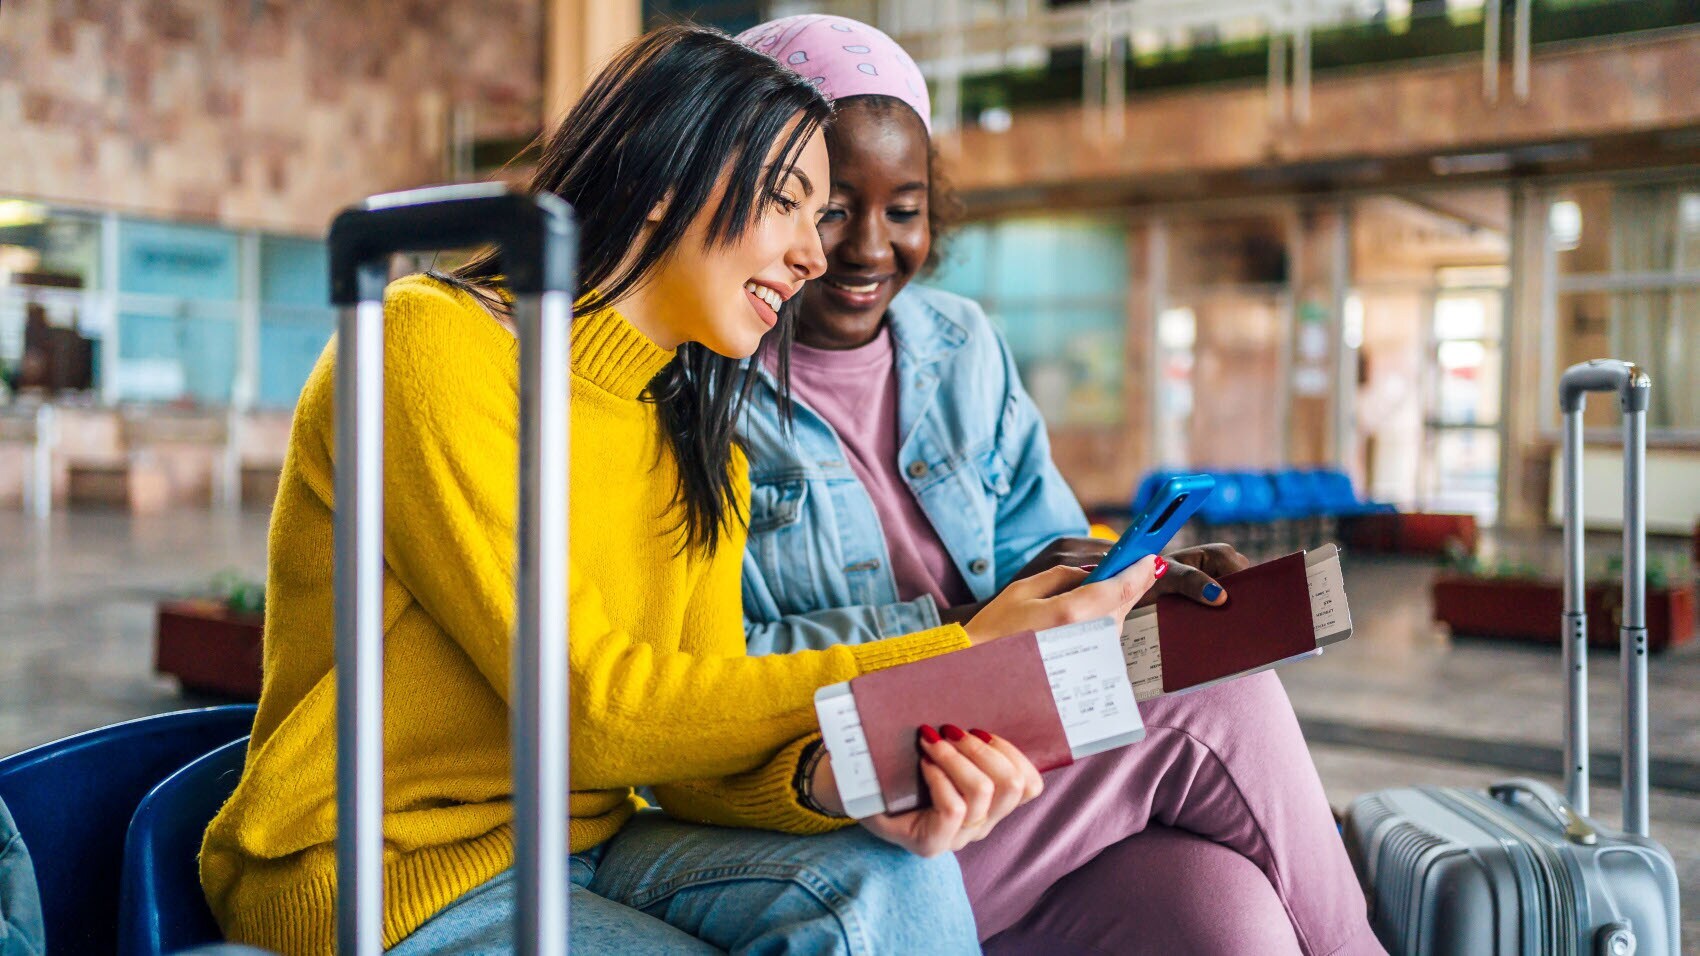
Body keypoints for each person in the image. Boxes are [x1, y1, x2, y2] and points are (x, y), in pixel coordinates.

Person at [198, 24, 1156, 955]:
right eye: (789, 202)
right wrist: (955, 650)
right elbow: (592, 708)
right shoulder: (431, 345)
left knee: (898, 874)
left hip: (588, 840)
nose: (816, 256)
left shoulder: (697, 444)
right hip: (384, 875)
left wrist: (845, 784)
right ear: (664, 183)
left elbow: (681, 756)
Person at [736, 15, 1384, 955]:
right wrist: (969, 623)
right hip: (853, 796)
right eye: (832, 208)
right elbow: (711, 668)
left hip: (1005, 766)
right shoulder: (704, 378)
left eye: (905, 209)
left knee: (1221, 909)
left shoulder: (959, 345)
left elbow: (1041, 562)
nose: (868, 249)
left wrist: (1127, 581)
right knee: (1213, 700)